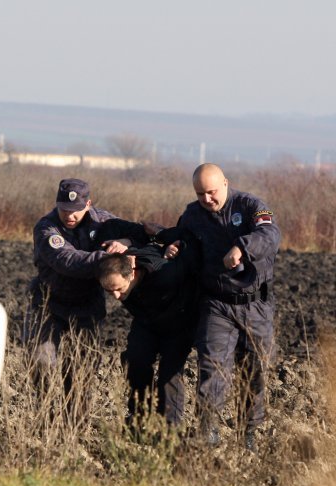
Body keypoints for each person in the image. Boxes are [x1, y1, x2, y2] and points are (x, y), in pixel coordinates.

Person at [163, 163, 280, 450]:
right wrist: (174, 247)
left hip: (256, 305)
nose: (207, 199)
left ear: (225, 183)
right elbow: (183, 239)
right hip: (217, 303)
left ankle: (247, 433)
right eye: (200, 193)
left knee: (254, 371)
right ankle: (208, 429)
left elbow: (271, 235)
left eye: (212, 192)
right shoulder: (192, 214)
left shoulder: (252, 206)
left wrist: (243, 247)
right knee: (212, 366)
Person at [25, 178, 143, 387]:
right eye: (64, 209)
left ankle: (75, 419)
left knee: (82, 372)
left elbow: (140, 232)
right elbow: (67, 260)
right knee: (42, 364)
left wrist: (127, 243)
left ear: (88, 205)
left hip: (87, 305)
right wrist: (109, 259)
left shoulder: (103, 220)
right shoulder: (46, 228)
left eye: (76, 210)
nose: (69, 215)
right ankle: (48, 418)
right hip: (48, 304)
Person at [95, 235, 200, 431]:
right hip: (146, 322)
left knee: (169, 374)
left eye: (118, 289)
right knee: (134, 360)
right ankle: (139, 418)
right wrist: (127, 240)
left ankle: (170, 430)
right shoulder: (122, 268)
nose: (116, 296)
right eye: (110, 292)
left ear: (132, 274)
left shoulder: (166, 273)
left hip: (179, 324)